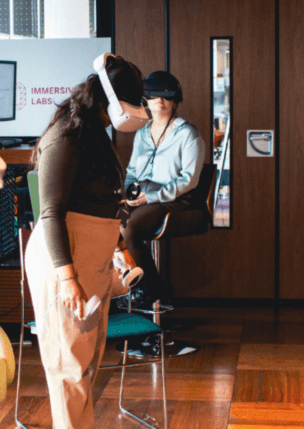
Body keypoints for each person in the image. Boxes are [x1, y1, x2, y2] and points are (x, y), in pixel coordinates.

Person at [25, 54, 145, 429]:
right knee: (68, 366)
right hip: (66, 257)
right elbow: (51, 213)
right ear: (107, 96)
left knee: (85, 362)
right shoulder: (66, 135)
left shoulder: (97, 132)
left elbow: (104, 199)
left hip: (93, 253)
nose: (139, 110)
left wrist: (120, 246)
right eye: (134, 100)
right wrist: (68, 278)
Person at [117, 71, 205, 308]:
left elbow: (188, 180)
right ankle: (137, 288)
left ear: (176, 101)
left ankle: (151, 290)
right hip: (144, 195)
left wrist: (151, 197)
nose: (160, 100)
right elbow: (133, 172)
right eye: (153, 95)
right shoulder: (142, 133)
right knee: (112, 220)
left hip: (176, 199)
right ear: (145, 100)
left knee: (130, 227)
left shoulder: (188, 134)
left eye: (166, 96)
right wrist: (129, 194)